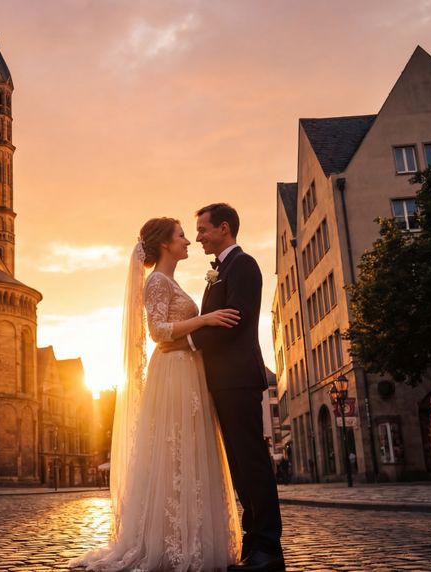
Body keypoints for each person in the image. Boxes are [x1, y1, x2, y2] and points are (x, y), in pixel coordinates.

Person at [71, 217, 243, 571]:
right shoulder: (158, 282)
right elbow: (158, 330)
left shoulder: (169, 281)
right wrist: (204, 320)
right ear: (165, 243)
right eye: (181, 235)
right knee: (173, 448)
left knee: (187, 450)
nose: (188, 241)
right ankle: (169, 542)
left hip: (187, 369)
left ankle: (190, 538)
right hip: (173, 372)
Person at [159, 204, 285, 572]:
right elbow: (215, 320)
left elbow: (234, 321)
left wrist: (186, 343)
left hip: (238, 379)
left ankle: (268, 549)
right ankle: (253, 544)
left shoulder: (242, 266)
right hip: (223, 381)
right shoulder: (221, 271)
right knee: (240, 467)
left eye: (203, 229)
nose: (198, 237)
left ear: (224, 228)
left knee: (252, 463)